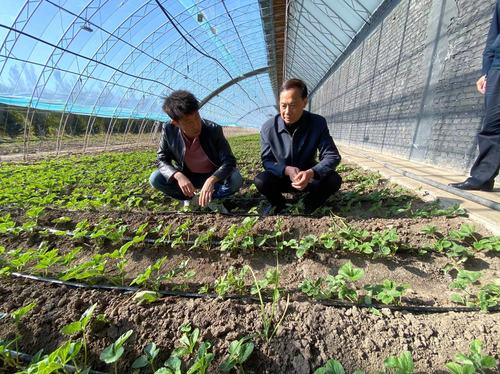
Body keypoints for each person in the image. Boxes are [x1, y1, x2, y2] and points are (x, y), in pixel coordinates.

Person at [254, 78, 342, 214]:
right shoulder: (268, 128)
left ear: (304, 102)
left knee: (333, 180)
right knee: (261, 181)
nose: (287, 112)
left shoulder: (317, 123)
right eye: (283, 105)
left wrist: (311, 172)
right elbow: (267, 160)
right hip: (282, 178)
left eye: (293, 105)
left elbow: (332, 155)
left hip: (309, 178)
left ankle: (309, 204)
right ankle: (280, 204)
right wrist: (286, 170)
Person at [149, 90, 243, 211]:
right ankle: (189, 198)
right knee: (156, 178)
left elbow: (229, 161)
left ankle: (212, 198)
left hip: (212, 174)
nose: (196, 125)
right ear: (175, 123)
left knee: (235, 179)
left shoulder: (213, 129)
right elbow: (161, 159)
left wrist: (212, 180)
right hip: (187, 176)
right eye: (188, 122)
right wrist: (177, 175)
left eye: (197, 117)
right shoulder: (169, 130)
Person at [449, 1, 500, 191]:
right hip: (498, 68)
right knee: (493, 124)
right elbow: (493, 35)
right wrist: (486, 71)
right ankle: (482, 178)